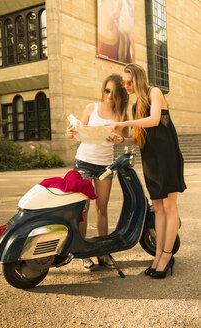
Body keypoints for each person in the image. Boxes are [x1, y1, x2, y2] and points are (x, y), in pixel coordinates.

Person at [107, 63, 186, 278]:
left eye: (129, 82)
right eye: (123, 83)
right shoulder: (136, 107)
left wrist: (125, 122)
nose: (126, 86)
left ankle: (167, 256)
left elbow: (153, 120)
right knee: (158, 208)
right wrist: (121, 139)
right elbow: (141, 139)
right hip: (151, 159)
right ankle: (158, 255)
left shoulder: (155, 93)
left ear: (138, 79)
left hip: (167, 158)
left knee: (169, 207)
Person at [67, 74, 129, 271]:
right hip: (84, 161)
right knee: (82, 209)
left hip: (105, 165)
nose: (109, 95)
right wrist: (71, 133)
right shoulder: (90, 108)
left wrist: (119, 140)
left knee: (102, 209)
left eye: (113, 92)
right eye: (106, 90)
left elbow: (123, 137)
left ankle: (103, 251)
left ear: (120, 94)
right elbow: (76, 132)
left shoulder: (120, 114)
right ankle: (82, 252)